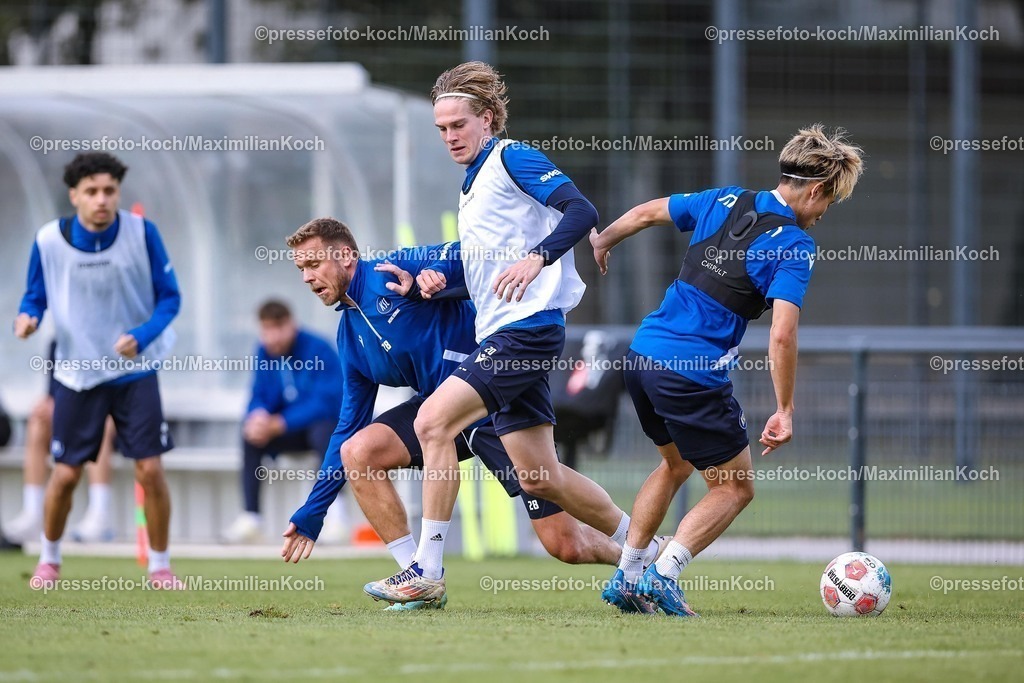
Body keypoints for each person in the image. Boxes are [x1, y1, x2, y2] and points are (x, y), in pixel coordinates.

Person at [280, 218, 660, 609]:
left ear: (345, 256)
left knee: (565, 542)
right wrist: (314, 510)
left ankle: (639, 556)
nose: (307, 277)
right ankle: (419, 579)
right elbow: (348, 426)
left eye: (313, 264)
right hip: (443, 417)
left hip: (499, 393)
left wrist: (437, 277)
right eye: (300, 269)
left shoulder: (394, 270)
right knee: (359, 451)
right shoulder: (351, 339)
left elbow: (475, 254)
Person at [365, 61, 636, 605]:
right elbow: (487, 269)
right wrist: (432, 284)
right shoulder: (472, 184)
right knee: (540, 476)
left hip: (525, 332)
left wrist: (538, 259)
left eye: (457, 125)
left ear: (487, 119)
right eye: (440, 129)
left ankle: (427, 571)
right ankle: (645, 552)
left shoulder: (511, 157)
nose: (448, 137)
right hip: (510, 330)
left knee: (432, 422)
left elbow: (581, 211)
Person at [590, 124, 864, 615]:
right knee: (735, 486)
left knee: (675, 465)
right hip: (690, 374)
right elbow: (782, 334)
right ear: (817, 189)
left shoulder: (725, 199)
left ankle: (628, 575)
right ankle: (663, 575)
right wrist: (785, 408)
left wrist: (602, 240)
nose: (823, 213)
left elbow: (648, 212)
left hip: (642, 356)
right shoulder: (795, 247)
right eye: (829, 202)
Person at [14, 152, 184, 589]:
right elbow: (35, 295)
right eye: (91, 191)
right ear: (74, 195)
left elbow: (170, 298)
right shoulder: (49, 240)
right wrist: (28, 317)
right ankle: (49, 560)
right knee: (67, 474)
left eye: (109, 190)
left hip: (136, 371)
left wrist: (142, 335)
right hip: (77, 374)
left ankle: (161, 567)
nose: (101, 199)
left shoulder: (142, 233)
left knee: (150, 470)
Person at [222, 300, 347, 544]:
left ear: (292, 324)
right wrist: (257, 416)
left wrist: (280, 422)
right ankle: (251, 518)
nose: (272, 337)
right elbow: (259, 394)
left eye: (278, 328)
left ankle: (336, 517)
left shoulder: (318, 348)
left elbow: (327, 402)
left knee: (325, 432)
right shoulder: (263, 351)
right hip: (287, 430)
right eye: (266, 329)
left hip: (320, 428)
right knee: (250, 433)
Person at [4, 341, 116, 545]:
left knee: (102, 422)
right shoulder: (59, 342)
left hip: (110, 413)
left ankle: (100, 514)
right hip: (71, 413)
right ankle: (33, 513)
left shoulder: (113, 340)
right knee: (38, 421)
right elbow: (53, 393)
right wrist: (51, 403)